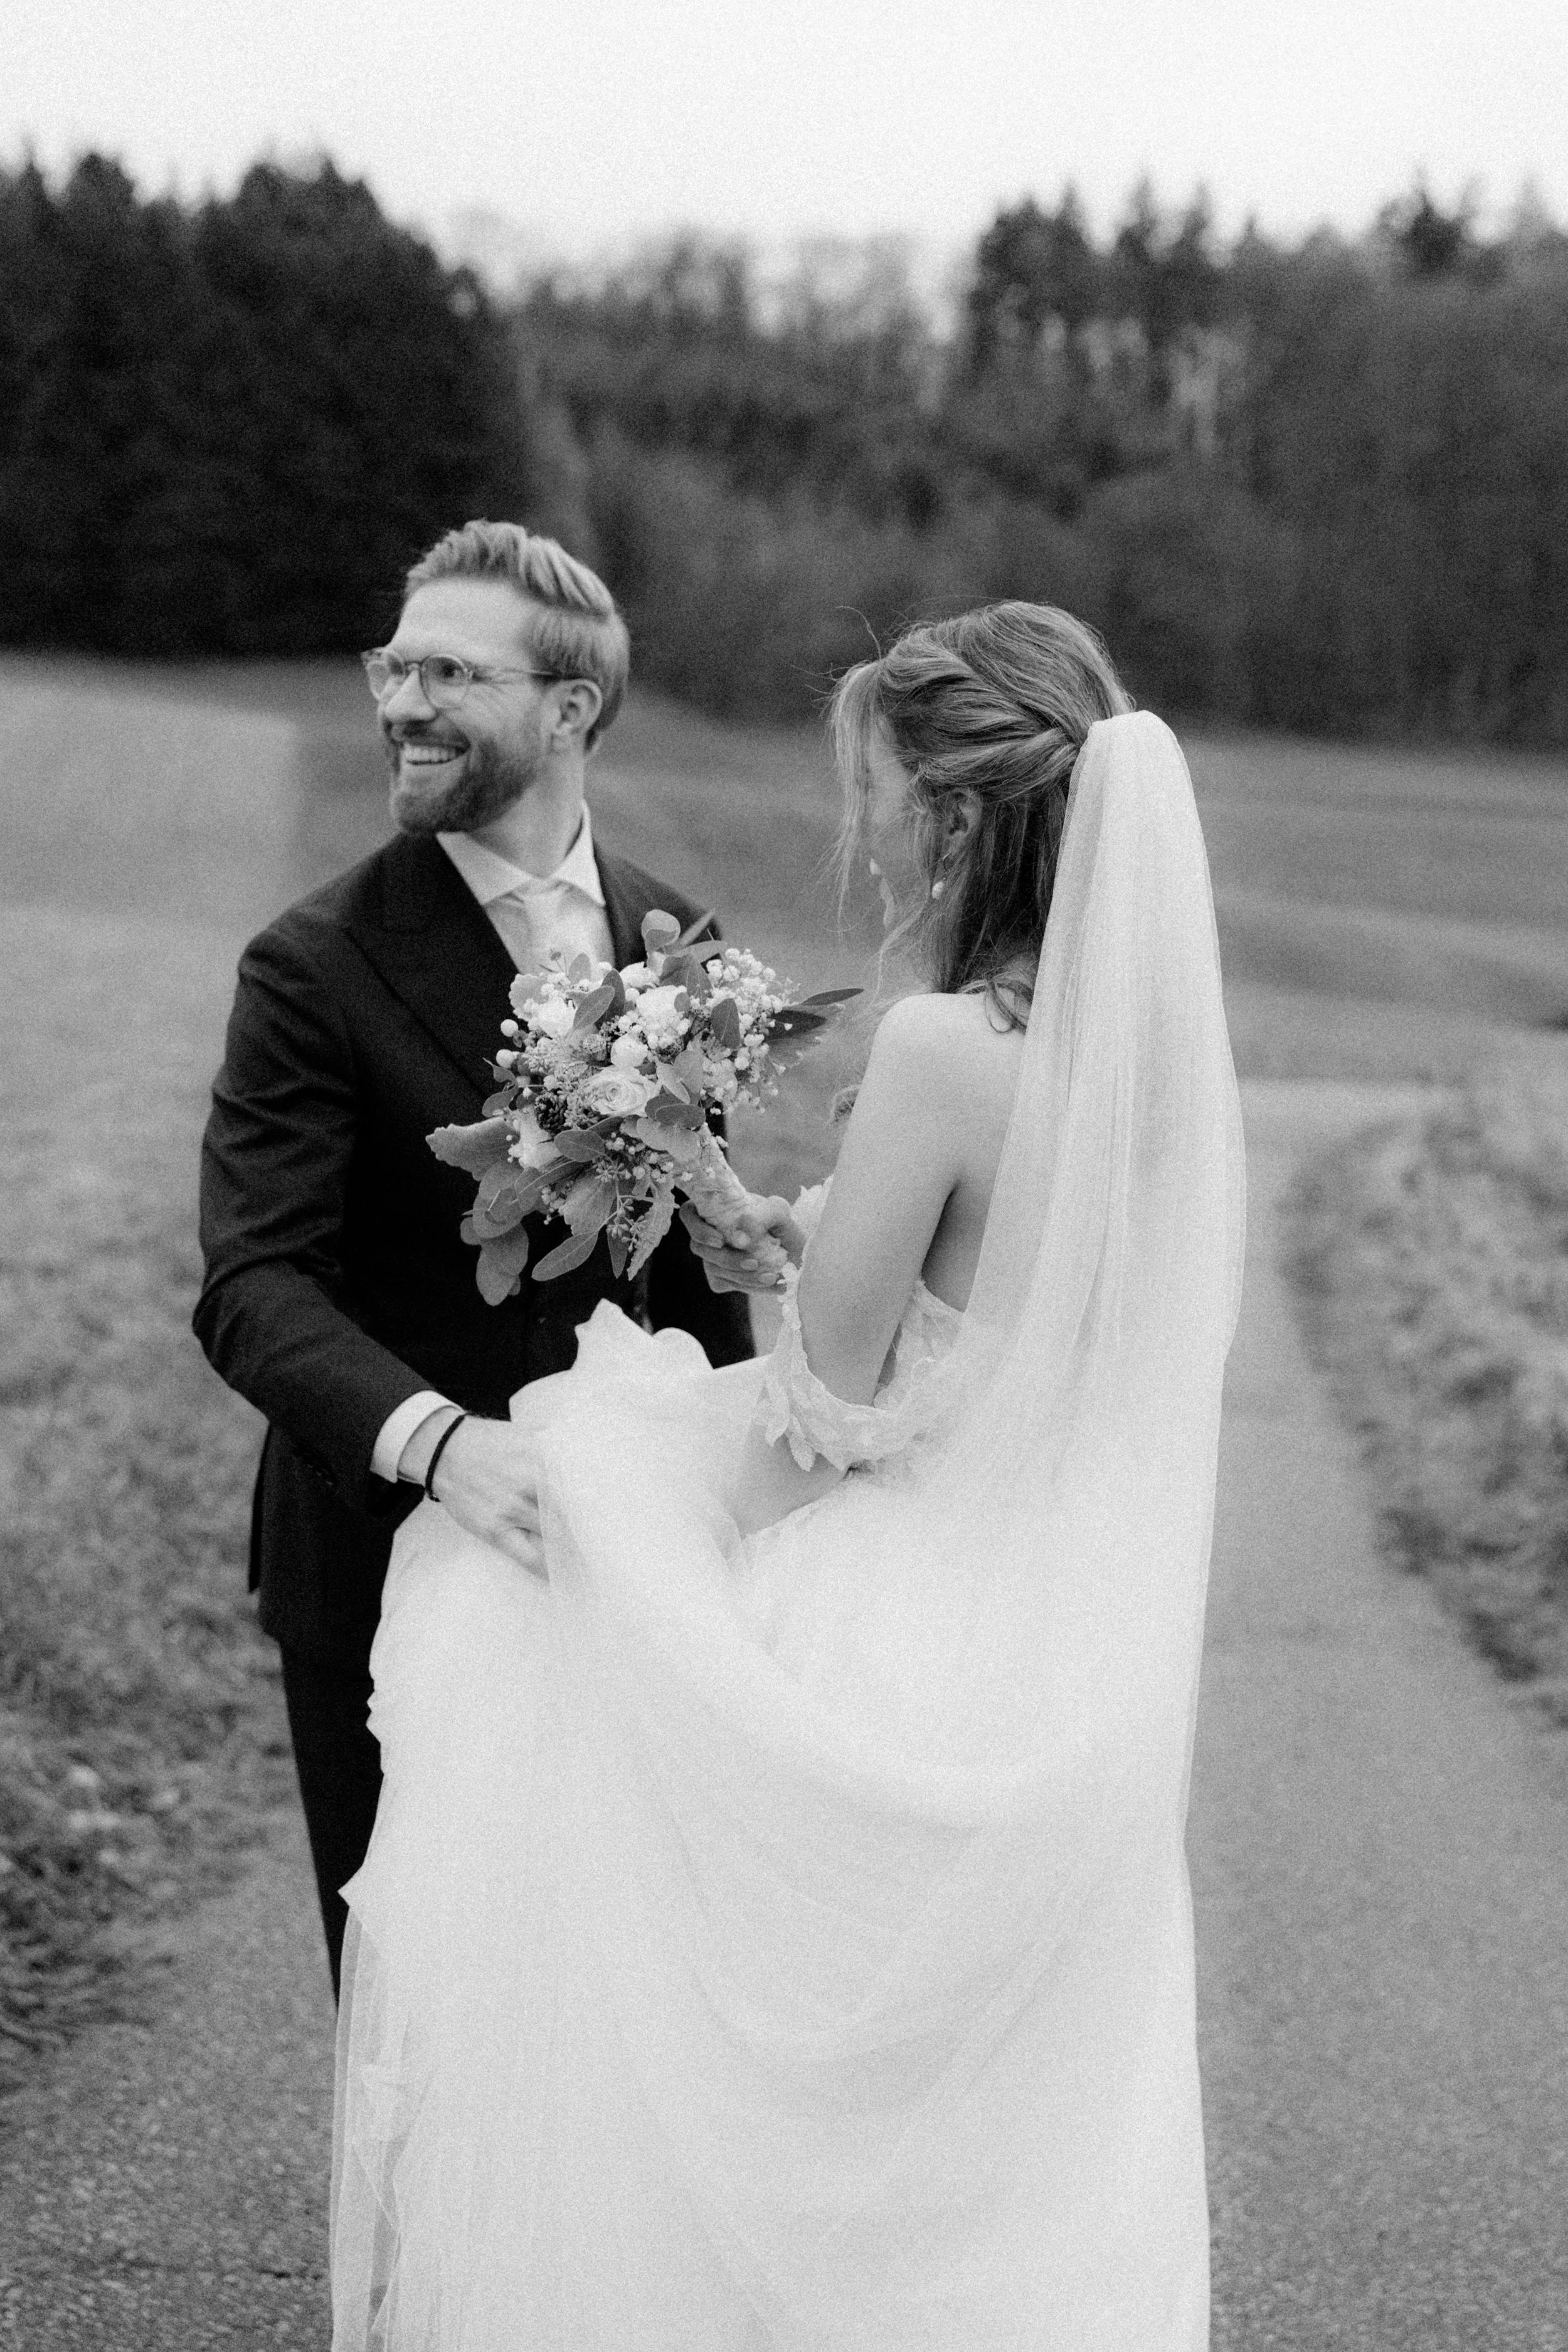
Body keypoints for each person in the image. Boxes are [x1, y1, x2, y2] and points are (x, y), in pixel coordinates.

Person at [331, 602, 1246, 2348]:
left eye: (886, 792)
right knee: (988, 2152)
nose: (874, 831)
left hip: (904, 1626)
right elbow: (1007, 1305)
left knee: (537, 1579)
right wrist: (788, 1214)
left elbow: (818, 1410)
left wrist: (649, 1487)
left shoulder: (941, 1049)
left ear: (966, 817)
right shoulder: (1154, 1069)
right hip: (1065, 1655)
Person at [193, 522, 753, 1993]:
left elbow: (690, 1259)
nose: (398, 701)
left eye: (447, 668)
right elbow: (252, 1287)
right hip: (384, 1555)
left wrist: (748, 1518)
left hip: (622, 1559)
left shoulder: (673, 940)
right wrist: (444, 1449)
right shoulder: (311, 966)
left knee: (608, 2003)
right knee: (413, 2009)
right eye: (393, 662)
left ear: (567, 707)